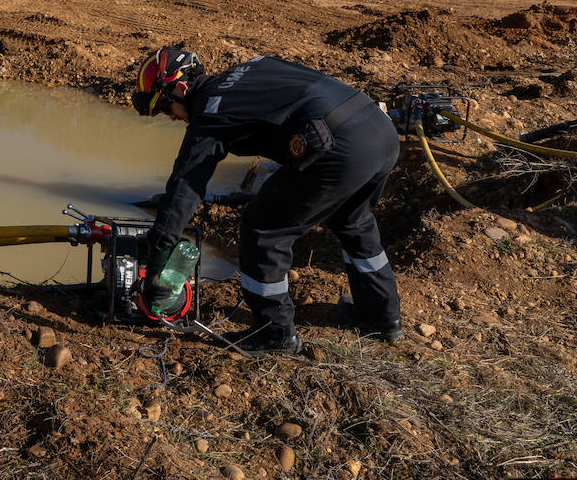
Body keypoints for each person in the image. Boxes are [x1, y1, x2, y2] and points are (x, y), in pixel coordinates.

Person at [131, 47, 402, 355]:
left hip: (340, 150)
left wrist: (157, 258)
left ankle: (274, 335)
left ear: (181, 88)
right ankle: (382, 318)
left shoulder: (210, 111)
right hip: (380, 132)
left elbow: (184, 187)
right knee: (352, 220)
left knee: (262, 228)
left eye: (167, 108)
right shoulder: (255, 67)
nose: (172, 117)